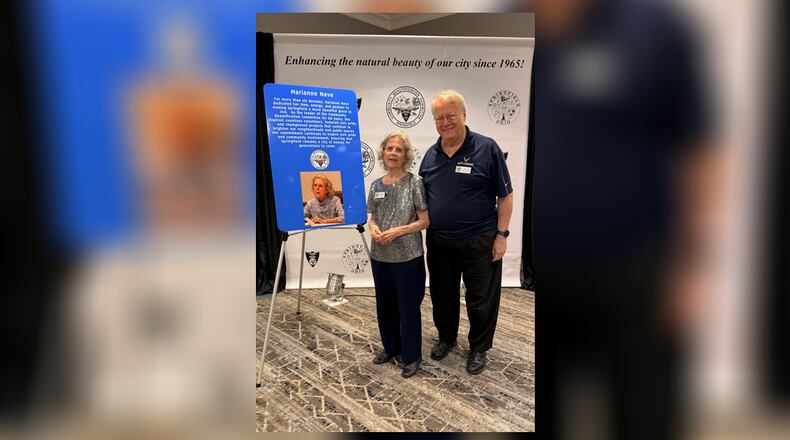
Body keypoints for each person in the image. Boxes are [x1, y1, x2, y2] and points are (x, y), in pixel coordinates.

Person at [418, 90, 514, 375]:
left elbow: (505, 196)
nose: (445, 122)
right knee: (442, 295)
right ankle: (446, 338)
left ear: (463, 115)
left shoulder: (487, 148)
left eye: (450, 115)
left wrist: (502, 236)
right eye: (439, 118)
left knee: (481, 299)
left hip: (480, 240)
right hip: (440, 241)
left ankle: (478, 348)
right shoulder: (430, 155)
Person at [367, 131, 429, 378]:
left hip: (408, 257)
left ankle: (412, 355)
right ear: (383, 153)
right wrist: (373, 228)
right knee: (385, 306)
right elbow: (371, 217)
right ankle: (390, 347)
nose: (393, 153)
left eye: (398, 150)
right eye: (389, 148)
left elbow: (424, 221)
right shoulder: (375, 185)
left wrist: (398, 231)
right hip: (380, 256)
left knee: (408, 308)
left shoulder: (415, 183)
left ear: (406, 156)